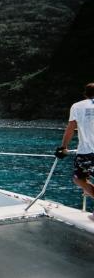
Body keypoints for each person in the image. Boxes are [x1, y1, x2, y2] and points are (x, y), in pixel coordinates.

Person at [55, 83, 94, 219]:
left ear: (85, 94)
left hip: (87, 151)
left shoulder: (77, 106)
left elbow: (71, 128)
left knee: (79, 179)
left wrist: (63, 147)